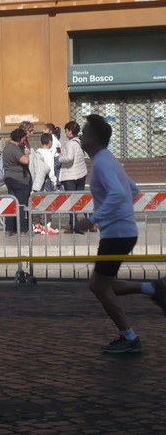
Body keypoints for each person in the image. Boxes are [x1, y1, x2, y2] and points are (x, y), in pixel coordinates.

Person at [74, 114, 166, 353]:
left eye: (84, 132)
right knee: (103, 284)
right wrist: (120, 213)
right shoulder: (107, 160)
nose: (81, 136)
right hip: (121, 231)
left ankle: (130, 337)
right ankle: (153, 289)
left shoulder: (103, 163)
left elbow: (118, 193)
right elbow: (131, 189)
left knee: (99, 287)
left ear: (93, 137)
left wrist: (92, 219)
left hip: (117, 234)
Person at [59, 121, 89, 233]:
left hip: (71, 176)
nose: (65, 132)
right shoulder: (79, 142)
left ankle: (74, 225)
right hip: (81, 173)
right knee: (80, 199)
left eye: (66, 130)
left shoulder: (70, 143)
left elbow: (69, 158)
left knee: (71, 201)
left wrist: (60, 157)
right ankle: (91, 222)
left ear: (70, 131)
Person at [2, 127, 32, 236]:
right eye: (23, 139)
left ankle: (9, 229)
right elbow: (25, 160)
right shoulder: (14, 149)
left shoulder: (6, 148)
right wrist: (27, 153)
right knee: (21, 205)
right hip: (19, 180)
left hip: (9, 178)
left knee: (12, 204)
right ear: (19, 138)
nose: (24, 141)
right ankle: (23, 229)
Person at [44, 123, 62, 190]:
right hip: (54, 159)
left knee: (53, 176)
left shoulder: (53, 139)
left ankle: (54, 189)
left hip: (53, 159)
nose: (43, 131)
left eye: (45, 129)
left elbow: (52, 150)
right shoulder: (53, 138)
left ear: (50, 131)